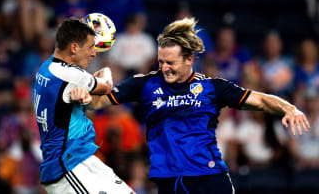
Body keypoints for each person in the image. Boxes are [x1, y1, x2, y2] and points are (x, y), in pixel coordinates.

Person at [71, 17, 311, 193]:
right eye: (161, 61)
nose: (165, 67)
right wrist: (84, 93)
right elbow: (97, 101)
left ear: (189, 59)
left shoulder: (213, 88)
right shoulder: (144, 85)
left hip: (211, 178)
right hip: (171, 180)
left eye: (171, 62)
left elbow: (258, 99)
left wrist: (289, 108)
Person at [32, 17, 134, 194]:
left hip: (82, 158)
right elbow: (107, 85)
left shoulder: (46, 67)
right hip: (67, 167)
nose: (94, 53)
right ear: (74, 47)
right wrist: (106, 70)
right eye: (90, 47)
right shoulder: (70, 75)